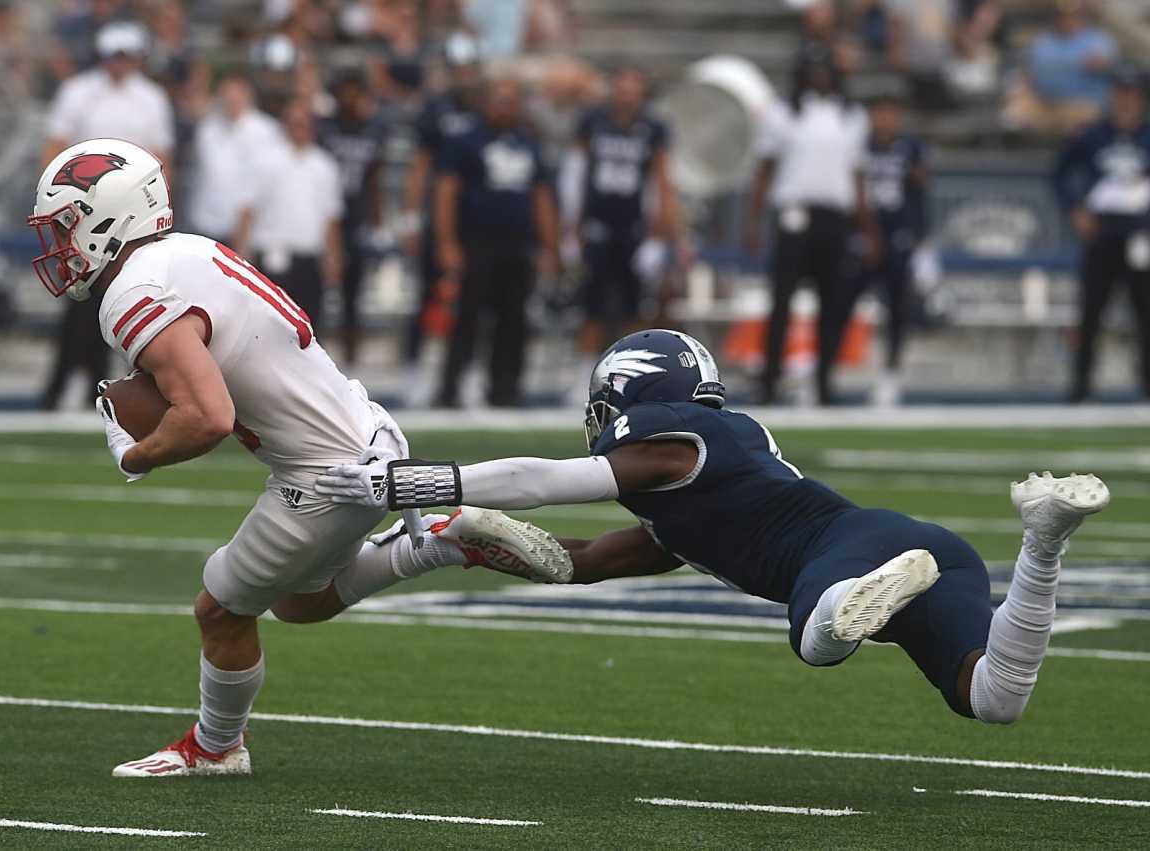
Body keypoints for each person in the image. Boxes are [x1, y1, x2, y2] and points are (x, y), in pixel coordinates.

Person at [26, 137, 571, 777]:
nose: (59, 246)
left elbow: (208, 418)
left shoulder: (131, 292)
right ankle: (437, 543)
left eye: (66, 225)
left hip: (326, 476)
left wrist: (136, 455)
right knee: (298, 602)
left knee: (221, 610)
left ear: (107, 217)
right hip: (371, 434)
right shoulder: (188, 252)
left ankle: (216, 748)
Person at [316, 329, 1111, 726]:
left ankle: (847, 604)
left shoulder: (676, 445)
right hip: (928, 548)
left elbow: (547, 481)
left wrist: (407, 484)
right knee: (994, 697)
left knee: (816, 638)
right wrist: (467, 546)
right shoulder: (693, 511)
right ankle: (1043, 539)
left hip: (843, 553)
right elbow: (577, 560)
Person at [41, 21, 175, 410]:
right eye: (113, 55)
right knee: (81, 293)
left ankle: (105, 386)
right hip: (81, 211)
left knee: (124, 292)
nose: (118, 63)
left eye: (124, 55)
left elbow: (163, 162)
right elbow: (55, 147)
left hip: (133, 212)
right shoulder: (78, 92)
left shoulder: (151, 99)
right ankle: (75, 383)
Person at [744, 47, 879, 405]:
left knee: (833, 304)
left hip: (835, 219)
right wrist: (754, 221)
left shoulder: (851, 116)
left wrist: (867, 227)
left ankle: (824, 381)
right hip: (793, 216)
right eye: (813, 69)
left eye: (825, 70)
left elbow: (858, 176)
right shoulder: (783, 113)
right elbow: (765, 170)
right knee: (782, 301)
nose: (820, 77)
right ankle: (771, 380)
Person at [433, 75, 560, 408]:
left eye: (511, 101)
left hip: (518, 246)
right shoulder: (466, 141)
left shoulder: (529, 142)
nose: (506, 107)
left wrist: (549, 246)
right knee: (468, 319)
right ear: (486, 102)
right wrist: (447, 242)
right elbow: (447, 191)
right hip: (478, 242)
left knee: (514, 320)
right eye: (500, 100)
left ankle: (506, 390)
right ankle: (450, 389)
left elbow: (541, 196)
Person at [1052, 65, 1150, 403]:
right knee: (1091, 311)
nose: (1126, 100)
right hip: (1102, 232)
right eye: (1121, 93)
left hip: (1139, 233)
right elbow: (1060, 173)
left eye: (1132, 94)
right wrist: (1075, 210)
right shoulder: (1093, 135)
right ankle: (1081, 385)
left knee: (1145, 313)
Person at [565, 66, 680, 354]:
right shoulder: (592, 122)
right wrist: (571, 225)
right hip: (597, 223)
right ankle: (586, 371)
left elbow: (661, 180)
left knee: (634, 305)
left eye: (633, 90)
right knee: (590, 305)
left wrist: (661, 234)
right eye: (622, 89)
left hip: (634, 227)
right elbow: (574, 175)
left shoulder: (653, 129)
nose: (626, 96)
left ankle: (632, 370)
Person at [400, 32, 482, 365]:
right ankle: (415, 365)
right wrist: (411, 213)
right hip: (440, 212)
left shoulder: (483, 107)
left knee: (475, 296)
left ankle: (462, 366)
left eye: (467, 67)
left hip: (476, 214)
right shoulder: (435, 109)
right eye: (458, 67)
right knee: (428, 292)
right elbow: (421, 164)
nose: (463, 74)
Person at [235, 100, 342, 332]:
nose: (299, 129)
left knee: (308, 326)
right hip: (273, 254)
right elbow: (248, 210)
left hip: (309, 257)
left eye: (304, 124)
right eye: (294, 123)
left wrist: (332, 258)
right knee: (269, 327)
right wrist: (242, 254)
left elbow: (330, 216)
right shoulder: (265, 163)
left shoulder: (325, 166)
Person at [856, 92, 928, 407]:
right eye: (880, 113)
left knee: (898, 308)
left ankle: (890, 372)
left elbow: (921, 188)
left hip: (898, 233)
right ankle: (824, 370)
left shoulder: (910, 148)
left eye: (891, 113)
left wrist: (919, 236)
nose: (885, 120)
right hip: (863, 233)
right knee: (841, 302)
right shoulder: (858, 145)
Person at [319, 69, 387, 363]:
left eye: (354, 91)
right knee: (320, 284)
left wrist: (377, 219)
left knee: (353, 290)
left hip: (356, 215)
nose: (349, 97)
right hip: (324, 215)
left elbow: (375, 178)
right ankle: (315, 348)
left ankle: (351, 353)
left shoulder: (371, 129)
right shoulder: (325, 128)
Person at [189, 73, 282, 246]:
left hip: (246, 229)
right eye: (226, 94)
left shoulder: (266, 131)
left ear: (248, 95)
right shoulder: (208, 128)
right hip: (205, 224)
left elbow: (263, 184)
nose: (231, 99)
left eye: (237, 94)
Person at [1005, 0, 1116, 134]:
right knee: (1014, 111)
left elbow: (1107, 66)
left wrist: (1099, 64)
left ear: (1082, 16)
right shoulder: (1043, 42)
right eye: (1063, 15)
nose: (1067, 20)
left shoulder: (1097, 40)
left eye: (1072, 15)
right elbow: (1029, 74)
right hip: (1045, 103)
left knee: (1084, 116)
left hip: (1080, 104)